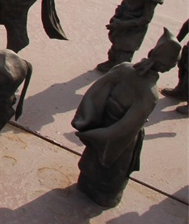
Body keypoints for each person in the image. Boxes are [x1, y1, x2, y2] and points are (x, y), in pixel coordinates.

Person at [72, 28, 182, 208]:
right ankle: (104, 196)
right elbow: (125, 129)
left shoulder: (124, 68)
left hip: (103, 123)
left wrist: (88, 123)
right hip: (118, 137)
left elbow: (95, 92)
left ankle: (86, 184)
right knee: (112, 172)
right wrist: (98, 136)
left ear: (151, 52)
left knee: (93, 160)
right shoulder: (149, 93)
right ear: (168, 67)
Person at [97, 0, 163, 72]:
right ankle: (111, 63)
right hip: (123, 15)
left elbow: (146, 19)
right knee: (116, 45)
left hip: (134, 25)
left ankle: (119, 73)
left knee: (124, 51)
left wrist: (123, 24)